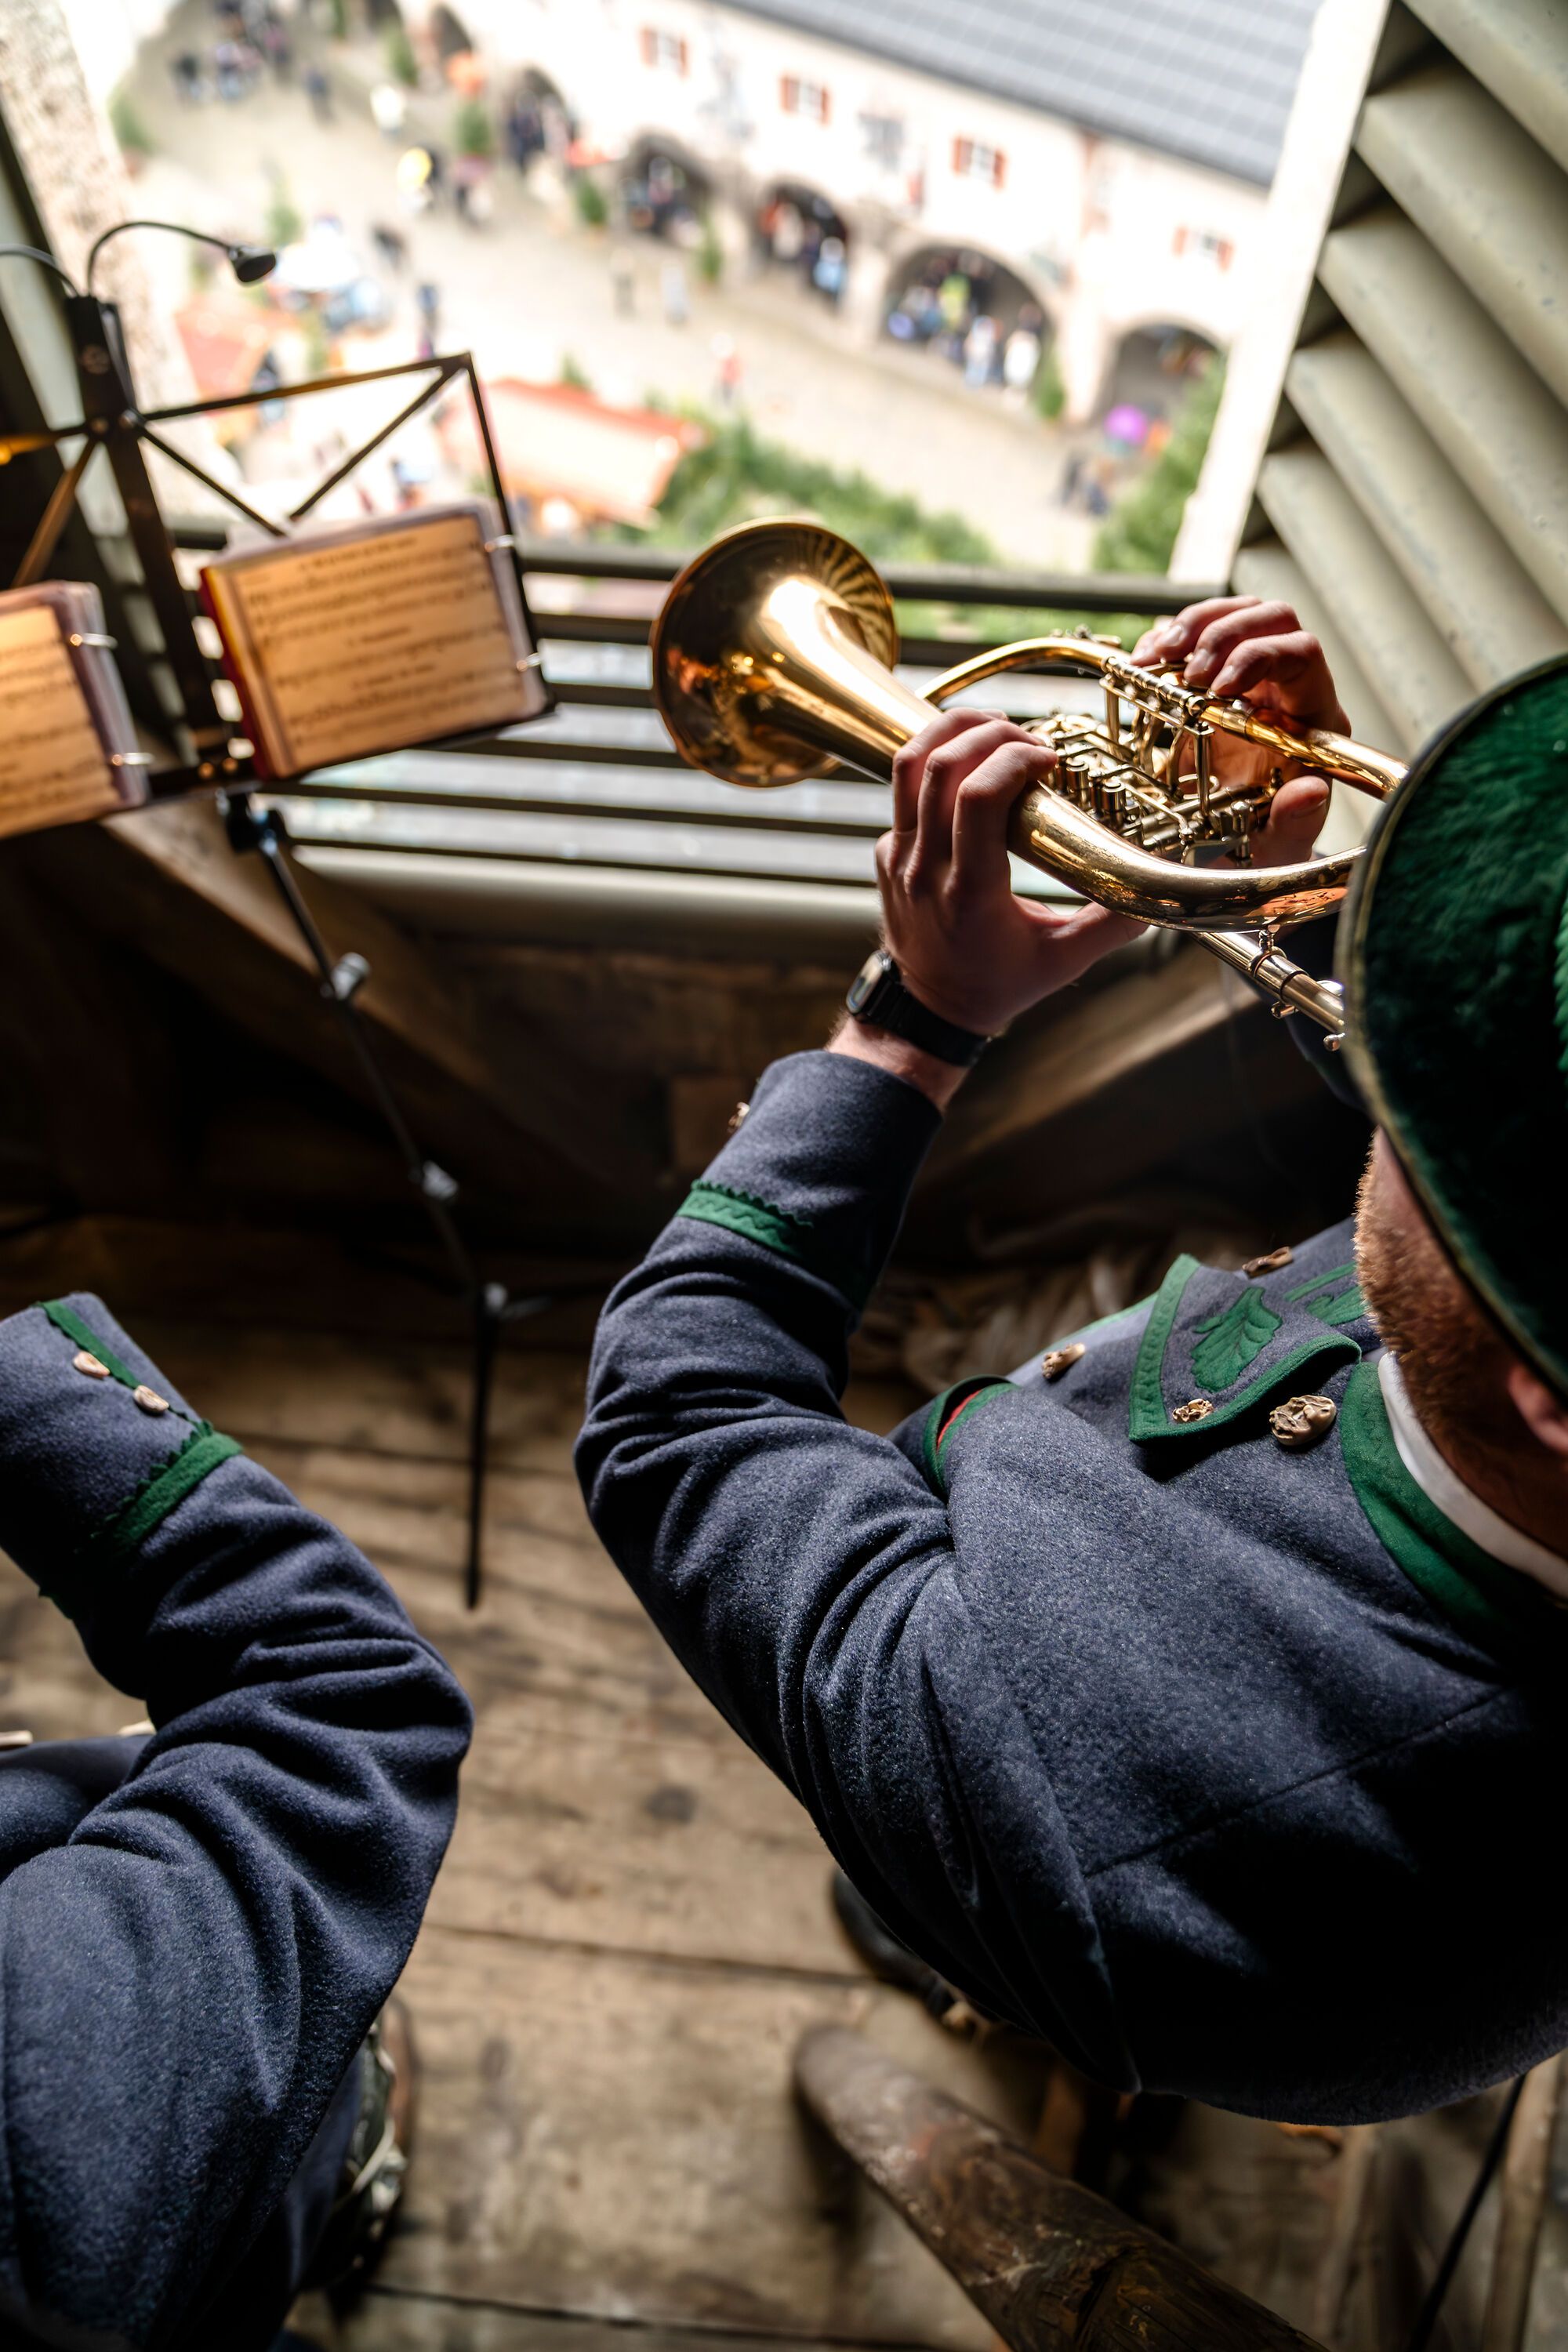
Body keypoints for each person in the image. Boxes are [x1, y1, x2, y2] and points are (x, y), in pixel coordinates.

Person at [579, 602, 1568, 2126]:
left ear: (1546, 1406)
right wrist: (1283, 883)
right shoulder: (1526, 1344)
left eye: (1431, 1153)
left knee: (921, 1888)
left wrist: (912, 1021)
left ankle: (934, 1946)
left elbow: (676, 1412)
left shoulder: (1104, 1796)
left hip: (1048, 1841)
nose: (1405, 1116)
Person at [0, 1293, 471, 2342]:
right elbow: (345, 1697)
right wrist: (34, 1404)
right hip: (135, 2179)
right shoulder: (33, 2109)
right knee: (268, 2137)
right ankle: (345, 2179)